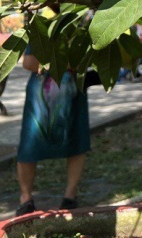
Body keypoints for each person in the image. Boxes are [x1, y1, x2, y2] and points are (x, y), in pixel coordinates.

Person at [15, 43, 90, 216]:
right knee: (28, 146)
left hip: (73, 95)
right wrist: (64, 63)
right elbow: (28, 62)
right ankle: (25, 199)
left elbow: (86, 61)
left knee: (76, 140)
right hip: (39, 100)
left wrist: (51, 63)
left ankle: (70, 196)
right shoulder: (40, 27)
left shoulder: (79, 27)